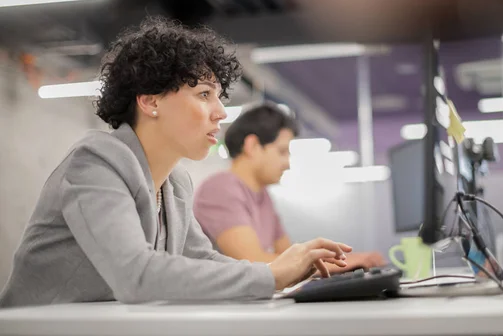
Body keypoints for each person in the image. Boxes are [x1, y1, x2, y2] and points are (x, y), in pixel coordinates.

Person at [0, 18, 352, 308]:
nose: (220, 112)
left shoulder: (175, 182)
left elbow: (203, 259)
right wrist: (270, 275)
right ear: (151, 102)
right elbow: (135, 276)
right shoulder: (94, 163)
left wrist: (287, 270)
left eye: (218, 97)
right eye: (203, 95)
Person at [193, 104, 386, 272]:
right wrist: (344, 264)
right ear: (252, 146)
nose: (287, 163)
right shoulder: (220, 189)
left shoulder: (263, 196)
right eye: (282, 151)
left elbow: (287, 255)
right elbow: (252, 262)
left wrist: (340, 262)